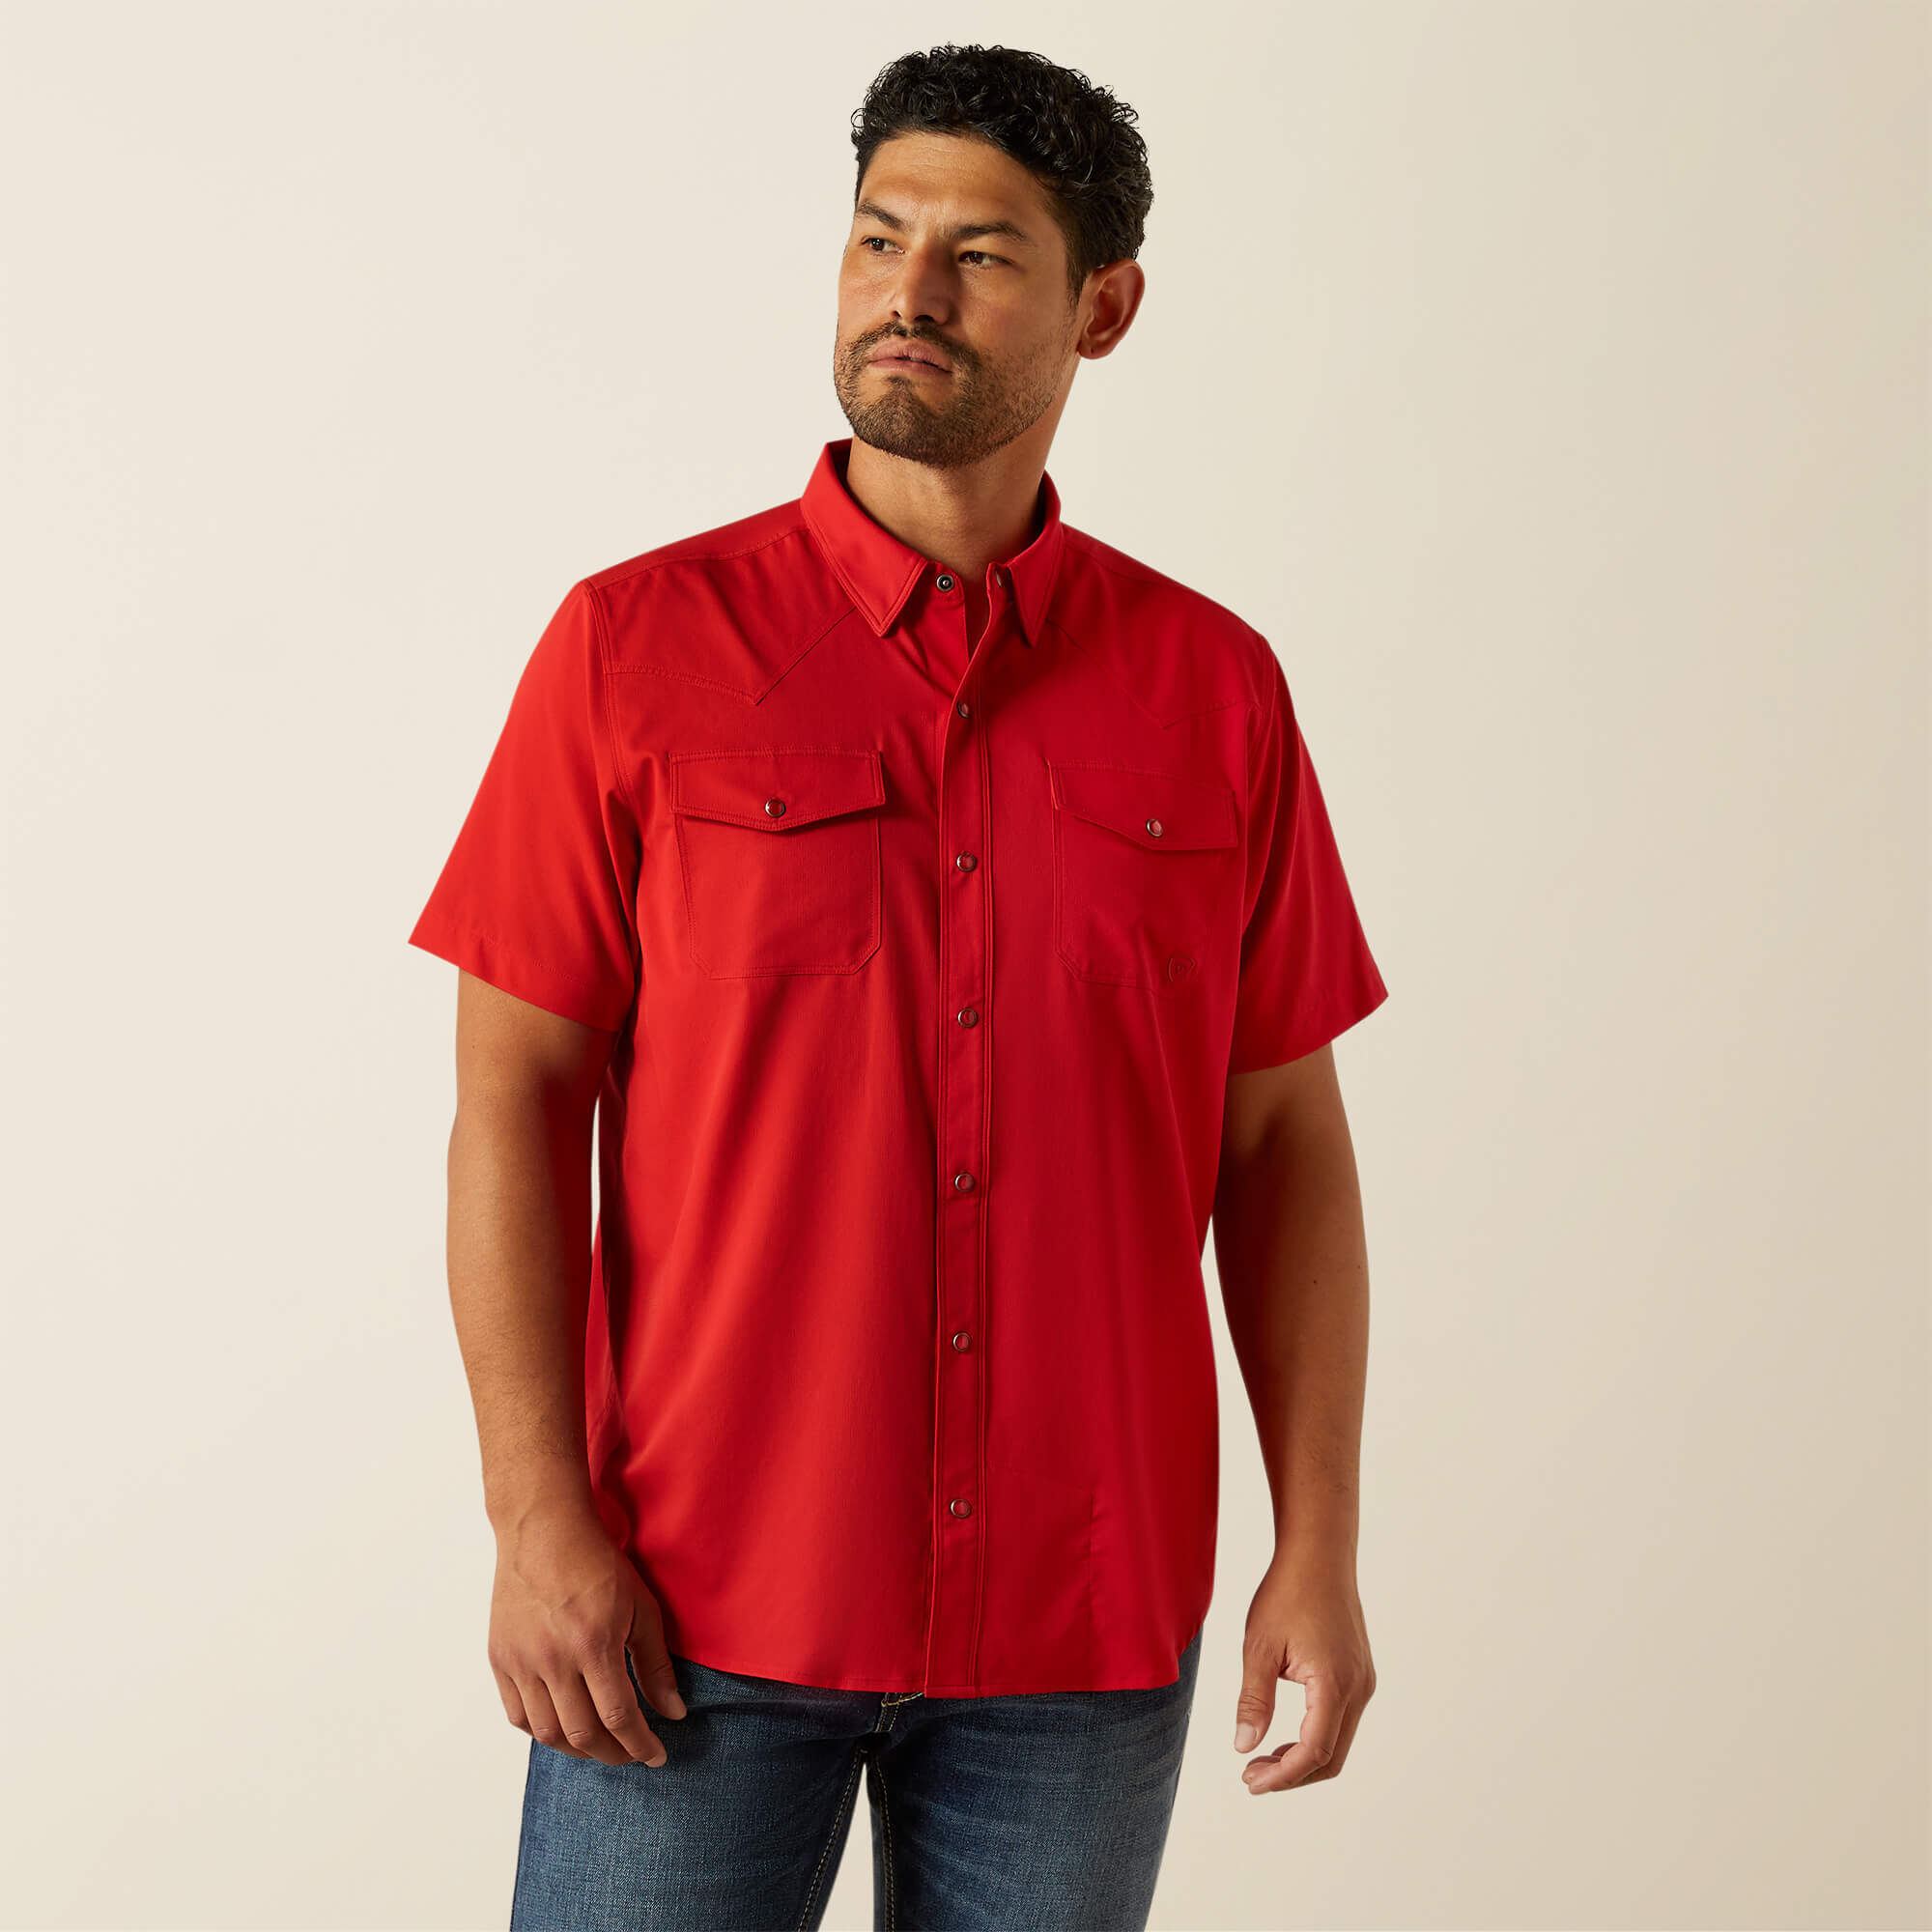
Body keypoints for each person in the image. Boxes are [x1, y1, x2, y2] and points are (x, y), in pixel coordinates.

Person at [409, 41, 1389, 1932]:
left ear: (1104, 308)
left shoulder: (1215, 691)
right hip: (688, 1610)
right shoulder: (632, 649)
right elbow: (513, 1099)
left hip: (1079, 1630)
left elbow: (1282, 1143)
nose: (909, 292)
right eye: (879, 237)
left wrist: (1320, 1544)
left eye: (981, 254)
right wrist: (535, 1522)